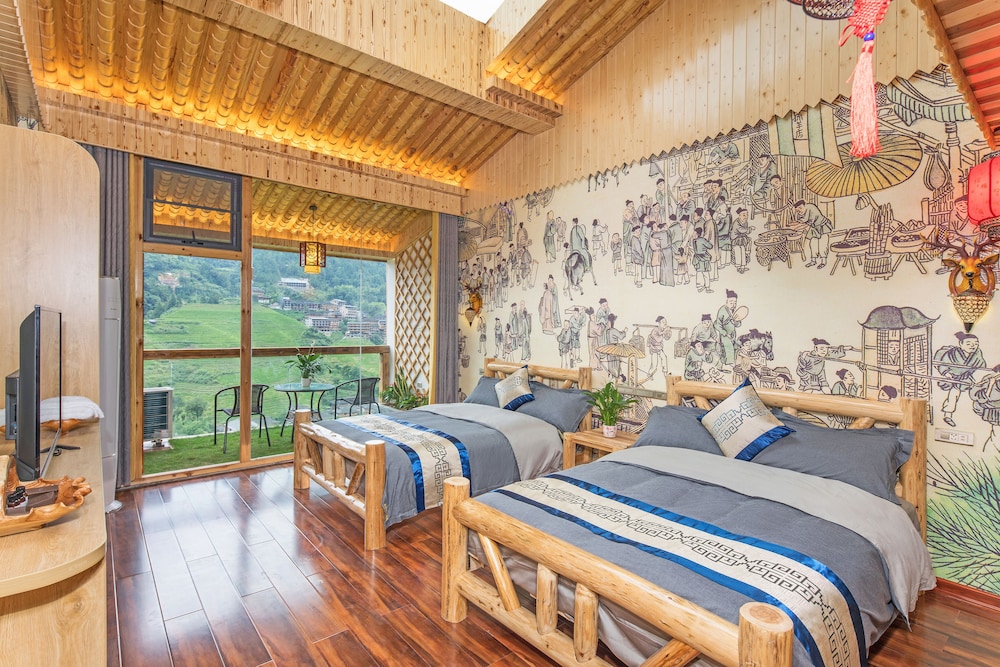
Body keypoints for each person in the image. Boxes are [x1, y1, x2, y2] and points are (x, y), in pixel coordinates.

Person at [934, 332, 987, 427]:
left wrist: (975, 379)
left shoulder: (977, 354)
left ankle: (975, 416)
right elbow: (943, 364)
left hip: (966, 378)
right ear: (961, 344)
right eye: (968, 343)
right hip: (953, 377)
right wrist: (947, 374)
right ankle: (948, 415)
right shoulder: (952, 353)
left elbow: (980, 366)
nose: (973, 346)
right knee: (953, 395)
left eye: (976, 344)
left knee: (977, 393)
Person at [793, 199, 834, 269]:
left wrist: (798, 226)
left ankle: (823, 262)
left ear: (803, 206)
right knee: (813, 244)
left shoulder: (811, 207)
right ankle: (813, 261)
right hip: (814, 228)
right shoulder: (800, 212)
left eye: (800, 208)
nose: (799, 211)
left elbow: (810, 221)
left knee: (822, 245)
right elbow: (801, 221)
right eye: (797, 210)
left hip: (823, 226)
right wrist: (797, 224)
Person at [971, 365, 1000, 452]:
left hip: (995, 409)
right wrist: (990, 384)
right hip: (994, 411)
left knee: (995, 434)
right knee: (996, 434)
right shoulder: (989, 378)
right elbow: (982, 396)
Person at [712, 290, 741, 366]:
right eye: (731, 303)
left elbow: (739, 324)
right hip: (724, 334)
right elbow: (717, 324)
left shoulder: (735, 311)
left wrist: (736, 322)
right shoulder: (722, 310)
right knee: (729, 346)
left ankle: (728, 360)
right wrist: (725, 333)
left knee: (735, 346)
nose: (733, 305)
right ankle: (730, 362)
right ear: (726, 302)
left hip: (733, 333)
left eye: (735, 303)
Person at [691, 226, 713, 293]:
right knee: (705, 273)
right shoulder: (702, 240)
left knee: (699, 272)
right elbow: (710, 246)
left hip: (698, 258)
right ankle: (707, 287)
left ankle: (699, 286)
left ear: (697, 234)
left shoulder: (694, 240)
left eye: (694, 233)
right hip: (703, 258)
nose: (692, 235)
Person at [732, 207, 753, 273]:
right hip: (735, 239)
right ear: (739, 215)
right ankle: (738, 267)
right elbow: (742, 230)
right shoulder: (736, 222)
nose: (746, 216)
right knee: (738, 249)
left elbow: (745, 232)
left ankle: (743, 266)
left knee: (743, 249)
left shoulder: (745, 222)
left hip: (742, 239)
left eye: (747, 214)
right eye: (744, 215)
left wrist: (748, 230)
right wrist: (749, 229)